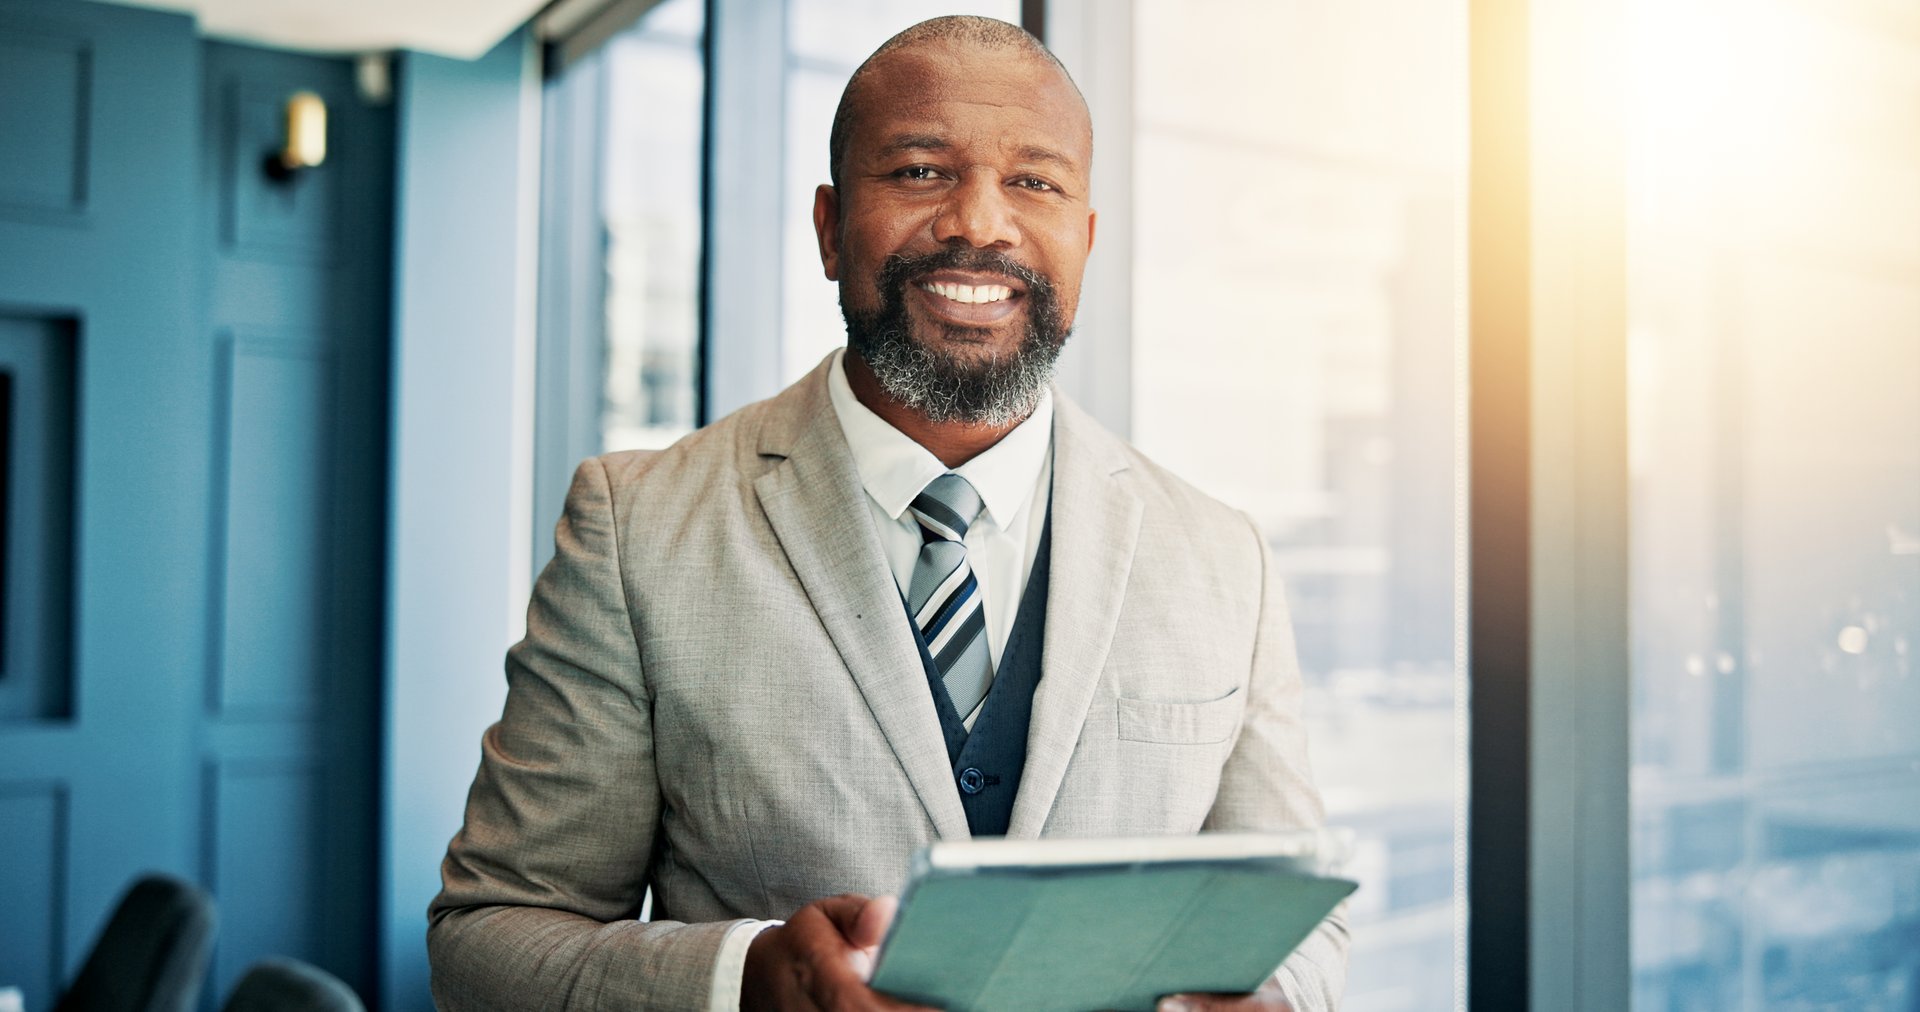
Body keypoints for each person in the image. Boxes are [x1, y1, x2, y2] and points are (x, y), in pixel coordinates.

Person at [429, 15, 1347, 1012]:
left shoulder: (1223, 557)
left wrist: (1276, 1000)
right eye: (919, 172)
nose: (980, 223)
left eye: (1034, 183)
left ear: (1085, 241)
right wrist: (747, 980)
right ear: (830, 229)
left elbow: (1301, 922)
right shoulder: (637, 529)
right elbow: (489, 937)